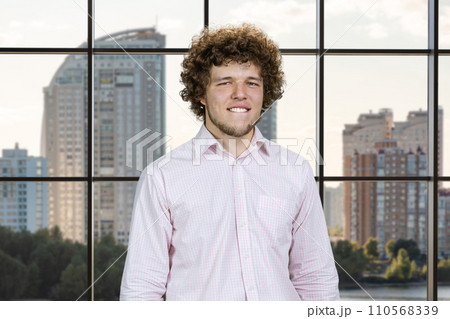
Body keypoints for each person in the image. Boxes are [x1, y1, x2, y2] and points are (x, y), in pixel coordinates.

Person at [120, 24, 339, 301]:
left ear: (264, 92)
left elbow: (316, 277)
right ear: (201, 93)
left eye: (252, 82)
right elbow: (142, 288)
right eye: (225, 82)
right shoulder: (162, 177)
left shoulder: (296, 171)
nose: (240, 93)